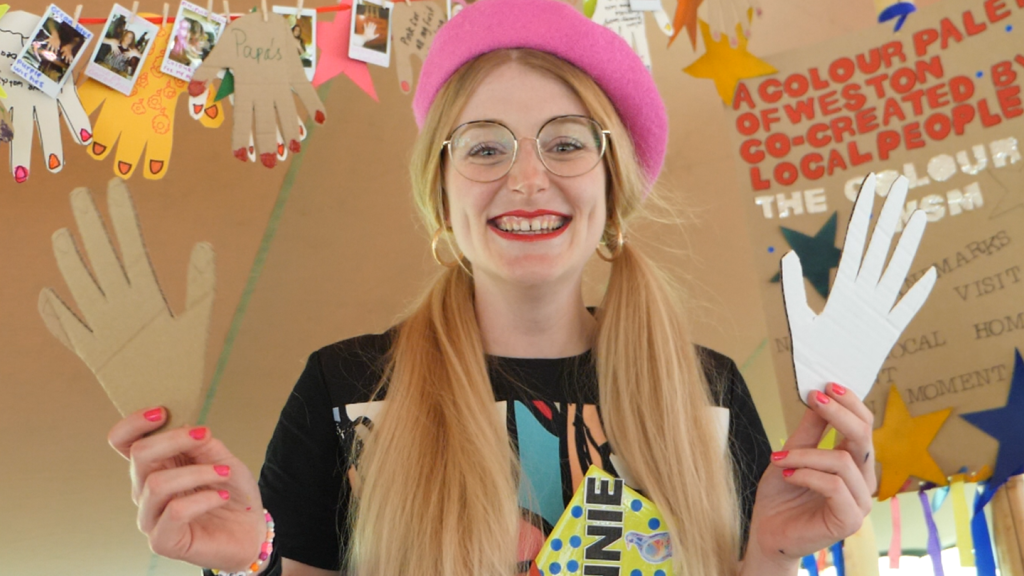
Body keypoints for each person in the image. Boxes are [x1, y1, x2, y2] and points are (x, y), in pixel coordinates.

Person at [107, 0, 877, 575]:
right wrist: (254, 559)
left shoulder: (706, 392)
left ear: (612, 188)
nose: (528, 178)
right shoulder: (344, 387)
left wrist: (772, 552)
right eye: (484, 148)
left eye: (567, 143)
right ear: (441, 196)